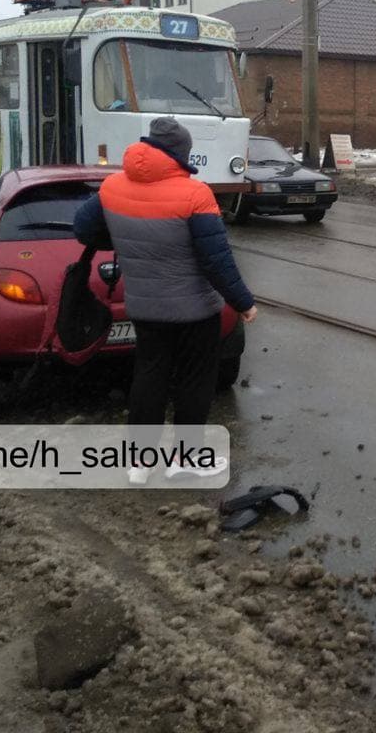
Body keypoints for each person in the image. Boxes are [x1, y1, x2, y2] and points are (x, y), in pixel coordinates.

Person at [74, 117, 257, 485]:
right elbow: (216, 259)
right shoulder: (195, 194)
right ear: (180, 154)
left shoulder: (111, 187)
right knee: (193, 382)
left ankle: (140, 464)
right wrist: (243, 303)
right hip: (195, 311)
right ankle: (186, 460)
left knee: (148, 377)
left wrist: (127, 243)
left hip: (145, 308)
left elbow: (83, 228)